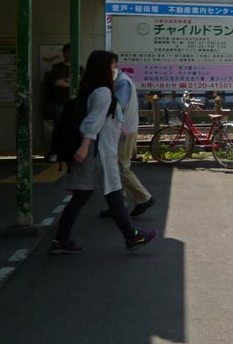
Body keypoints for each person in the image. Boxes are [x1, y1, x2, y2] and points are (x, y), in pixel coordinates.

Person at [50, 50, 157, 254]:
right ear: (104, 67)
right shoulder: (103, 92)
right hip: (97, 152)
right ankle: (131, 237)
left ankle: (61, 240)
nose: (114, 68)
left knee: (86, 196)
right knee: (113, 192)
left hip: (94, 151)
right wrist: (83, 147)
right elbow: (93, 122)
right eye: (112, 65)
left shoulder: (89, 89)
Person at [100, 54, 154, 219]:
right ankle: (118, 204)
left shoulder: (122, 82)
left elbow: (117, 106)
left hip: (123, 131)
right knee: (116, 167)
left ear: (113, 64)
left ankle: (143, 198)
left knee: (121, 167)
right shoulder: (121, 80)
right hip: (125, 129)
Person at [43, 44, 73, 162]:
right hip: (59, 103)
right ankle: (55, 152)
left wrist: (66, 82)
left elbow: (81, 83)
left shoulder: (79, 68)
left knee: (73, 128)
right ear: (64, 53)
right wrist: (72, 83)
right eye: (69, 52)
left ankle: (69, 152)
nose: (71, 54)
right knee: (58, 128)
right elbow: (57, 82)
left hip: (74, 104)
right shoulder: (57, 67)